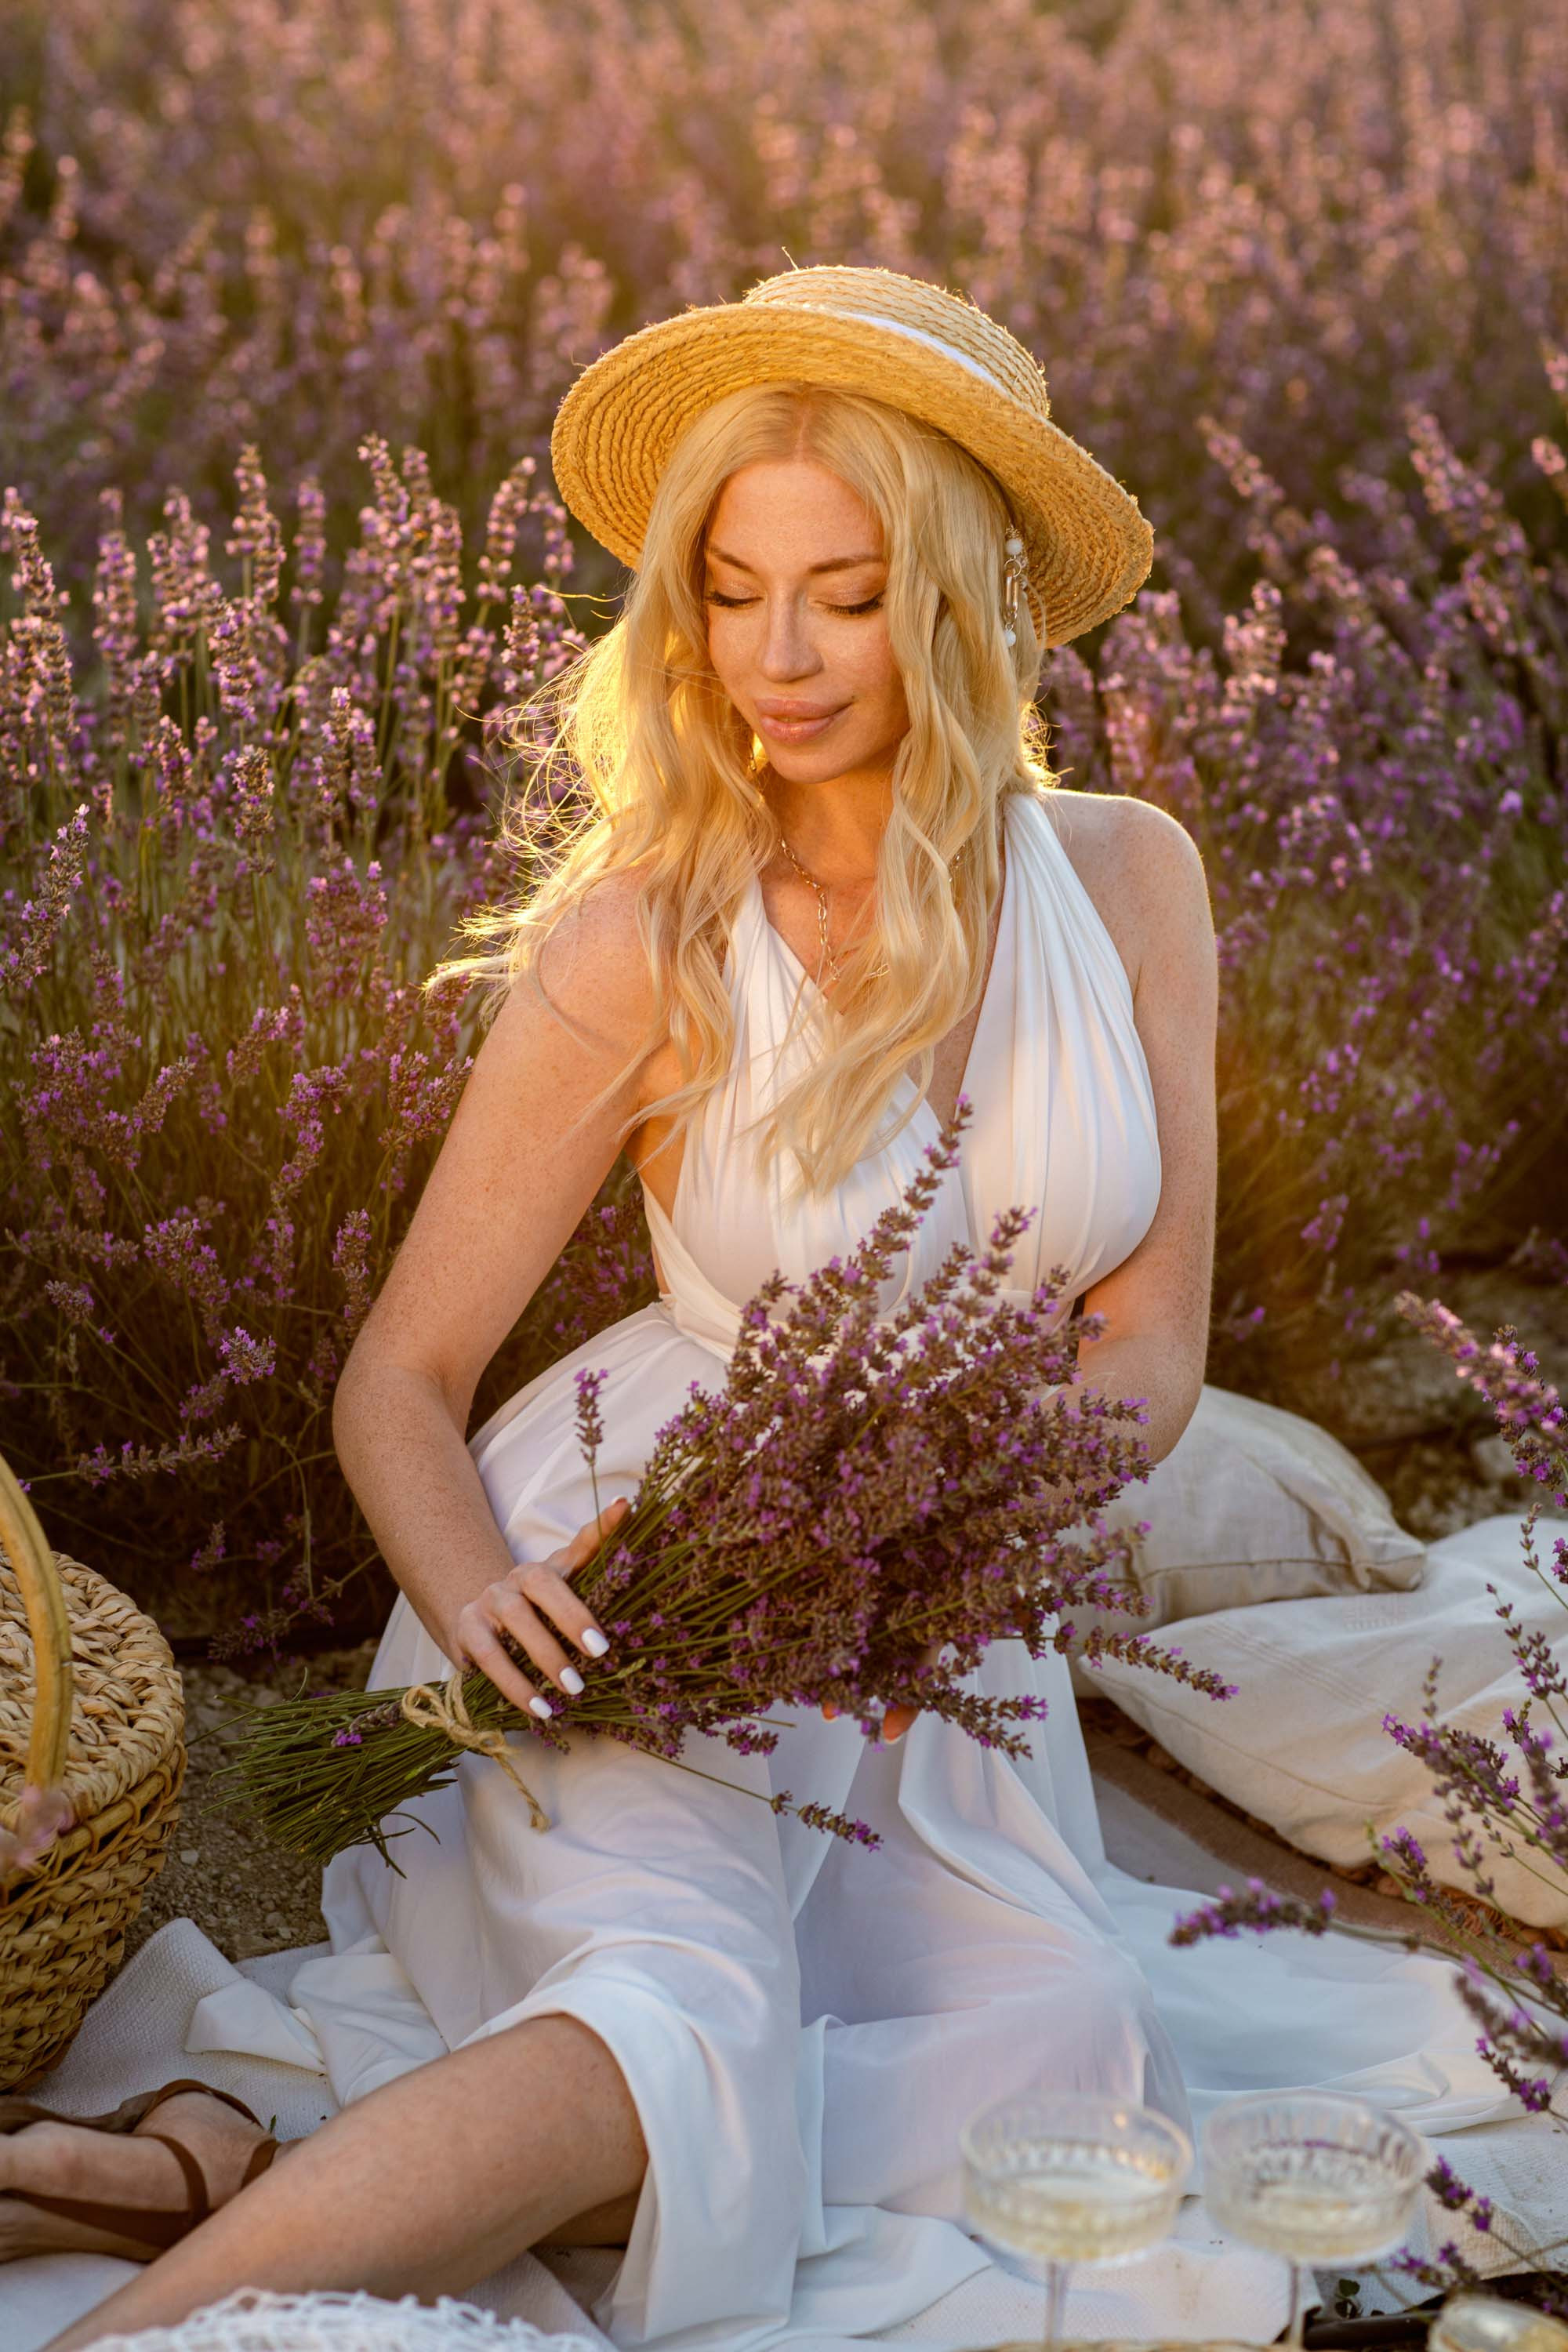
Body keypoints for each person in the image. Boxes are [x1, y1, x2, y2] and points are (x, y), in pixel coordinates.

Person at [5, 265, 1517, 2352]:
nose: (777, 656)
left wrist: (944, 1545)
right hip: (631, 1570)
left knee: (1064, 2040)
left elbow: (1148, 1348)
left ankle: (248, 2153)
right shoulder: (649, 936)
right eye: (729, 588)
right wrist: (491, 1619)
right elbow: (401, 1380)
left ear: (970, 599)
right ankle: (136, 2339)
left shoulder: (1134, 879)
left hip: (937, 1612)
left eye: (846, 588)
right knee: (689, 2016)